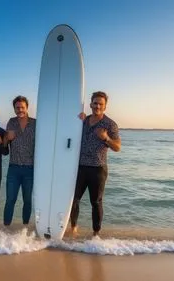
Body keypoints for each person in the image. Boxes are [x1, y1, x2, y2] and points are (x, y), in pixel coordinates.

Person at [69, 91, 121, 237]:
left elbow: (117, 147)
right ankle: (73, 227)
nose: (97, 106)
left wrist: (106, 139)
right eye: (95, 103)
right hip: (80, 167)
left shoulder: (110, 124)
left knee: (96, 202)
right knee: (74, 199)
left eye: (101, 104)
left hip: (98, 169)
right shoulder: (83, 120)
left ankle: (96, 232)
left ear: (105, 106)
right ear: (91, 104)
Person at [2, 95, 36, 227]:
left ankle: (25, 228)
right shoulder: (11, 122)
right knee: (10, 199)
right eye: (17, 108)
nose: (20, 110)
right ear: (14, 109)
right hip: (14, 168)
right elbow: (4, 147)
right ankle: (5, 228)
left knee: (27, 200)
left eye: (22, 107)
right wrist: (6, 138)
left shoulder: (35, 123)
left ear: (27, 108)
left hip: (30, 168)